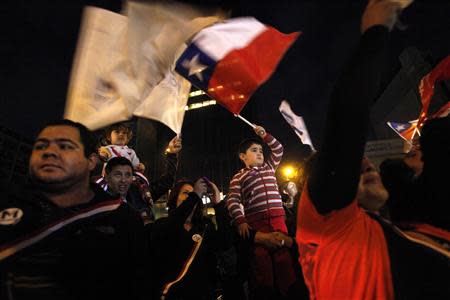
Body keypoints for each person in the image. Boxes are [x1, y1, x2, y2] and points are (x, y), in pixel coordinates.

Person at [296, 1, 449, 299]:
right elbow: (347, 119)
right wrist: (376, 29)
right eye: (351, 163)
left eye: (365, 161)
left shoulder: (413, 228)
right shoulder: (331, 228)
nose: (364, 163)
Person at [0, 119, 149, 300]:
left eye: (65, 146)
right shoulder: (9, 204)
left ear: (91, 161)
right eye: (40, 146)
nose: (49, 152)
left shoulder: (121, 218)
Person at [227, 125, 296, 299]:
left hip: (278, 219)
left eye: (261, 150)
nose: (260, 153)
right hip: (256, 222)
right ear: (243, 157)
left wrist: (265, 136)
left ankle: (289, 292)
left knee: (284, 259)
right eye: (254, 150)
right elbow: (233, 200)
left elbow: (278, 148)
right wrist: (240, 220)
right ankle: (265, 294)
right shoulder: (238, 177)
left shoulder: (269, 167)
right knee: (260, 260)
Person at [149, 178, 222, 300]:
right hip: (171, 294)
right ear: (175, 198)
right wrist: (194, 196)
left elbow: (224, 244)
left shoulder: (205, 226)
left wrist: (218, 204)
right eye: (186, 193)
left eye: (194, 194)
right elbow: (174, 223)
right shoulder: (162, 225)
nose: (192, 196)